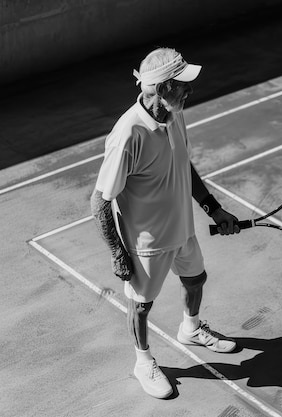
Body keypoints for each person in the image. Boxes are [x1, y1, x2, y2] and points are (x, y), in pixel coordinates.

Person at [90, 47, 240, 399]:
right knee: (141, 306)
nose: (190, 90)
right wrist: (117, 252)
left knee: (196, 278)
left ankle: (190, 328)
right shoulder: (129, 134)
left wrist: (212, 208)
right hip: (148, 241)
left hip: (182, 226)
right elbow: (100, 201)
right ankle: (143, 363)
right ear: (160, 86)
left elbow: (183, 164)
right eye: (182, 84)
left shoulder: (174, 113)